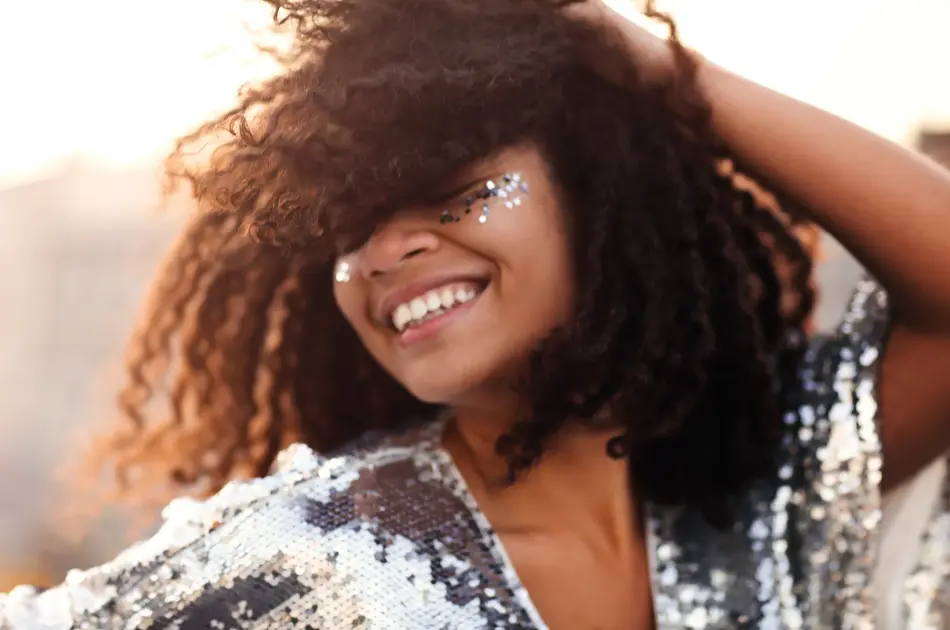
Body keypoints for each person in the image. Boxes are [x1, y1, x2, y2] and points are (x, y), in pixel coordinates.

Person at [4, 0, 950, 627]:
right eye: (352, 226)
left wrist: (643, 65)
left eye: (452, 191)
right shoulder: (308, 558)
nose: (384, 251)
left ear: (597, 195)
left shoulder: (758, 493)